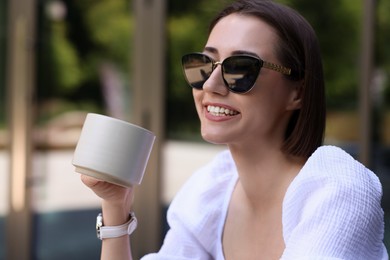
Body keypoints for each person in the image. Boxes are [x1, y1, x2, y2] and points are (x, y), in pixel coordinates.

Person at [81, 0, 388, 259]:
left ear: (298, 93)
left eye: (240, 68)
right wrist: (115, 205)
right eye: (204, 64)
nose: (211, 86)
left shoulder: (337, 192)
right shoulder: (211, 191)